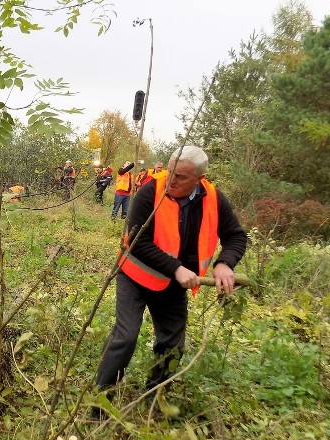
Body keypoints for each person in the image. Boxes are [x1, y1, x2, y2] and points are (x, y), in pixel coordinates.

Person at [94, 145, 247, 416]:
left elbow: (235, 236)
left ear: (199, 178)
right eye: (170, 171)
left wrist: (225, 264)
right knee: (126, 337)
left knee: (172, 346)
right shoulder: (149, 191)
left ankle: (155, 399)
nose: (172, 180)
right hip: (136, 276)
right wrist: (175, 268)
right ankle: (99, 403)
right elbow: (137, 241)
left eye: (181, 177)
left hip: (174, 285)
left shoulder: (214, 198)